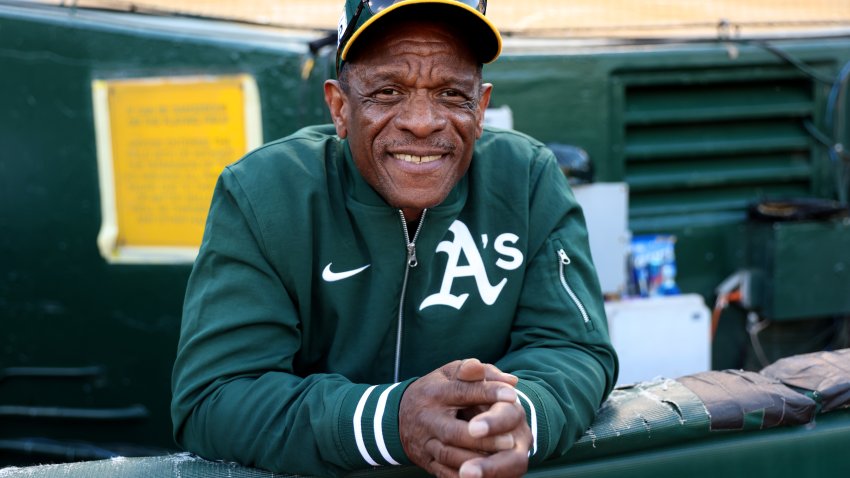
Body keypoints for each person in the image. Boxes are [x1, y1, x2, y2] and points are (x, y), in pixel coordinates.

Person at [170, 1, 618, 477]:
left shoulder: (526, 179)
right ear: (340, 108)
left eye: (450, 93)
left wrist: (518, 417)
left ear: (481, 107)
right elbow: (213, 398)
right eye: (387, 92)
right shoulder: (266, 192)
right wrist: (393, 421)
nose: (422, 121)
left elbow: (574, 348)